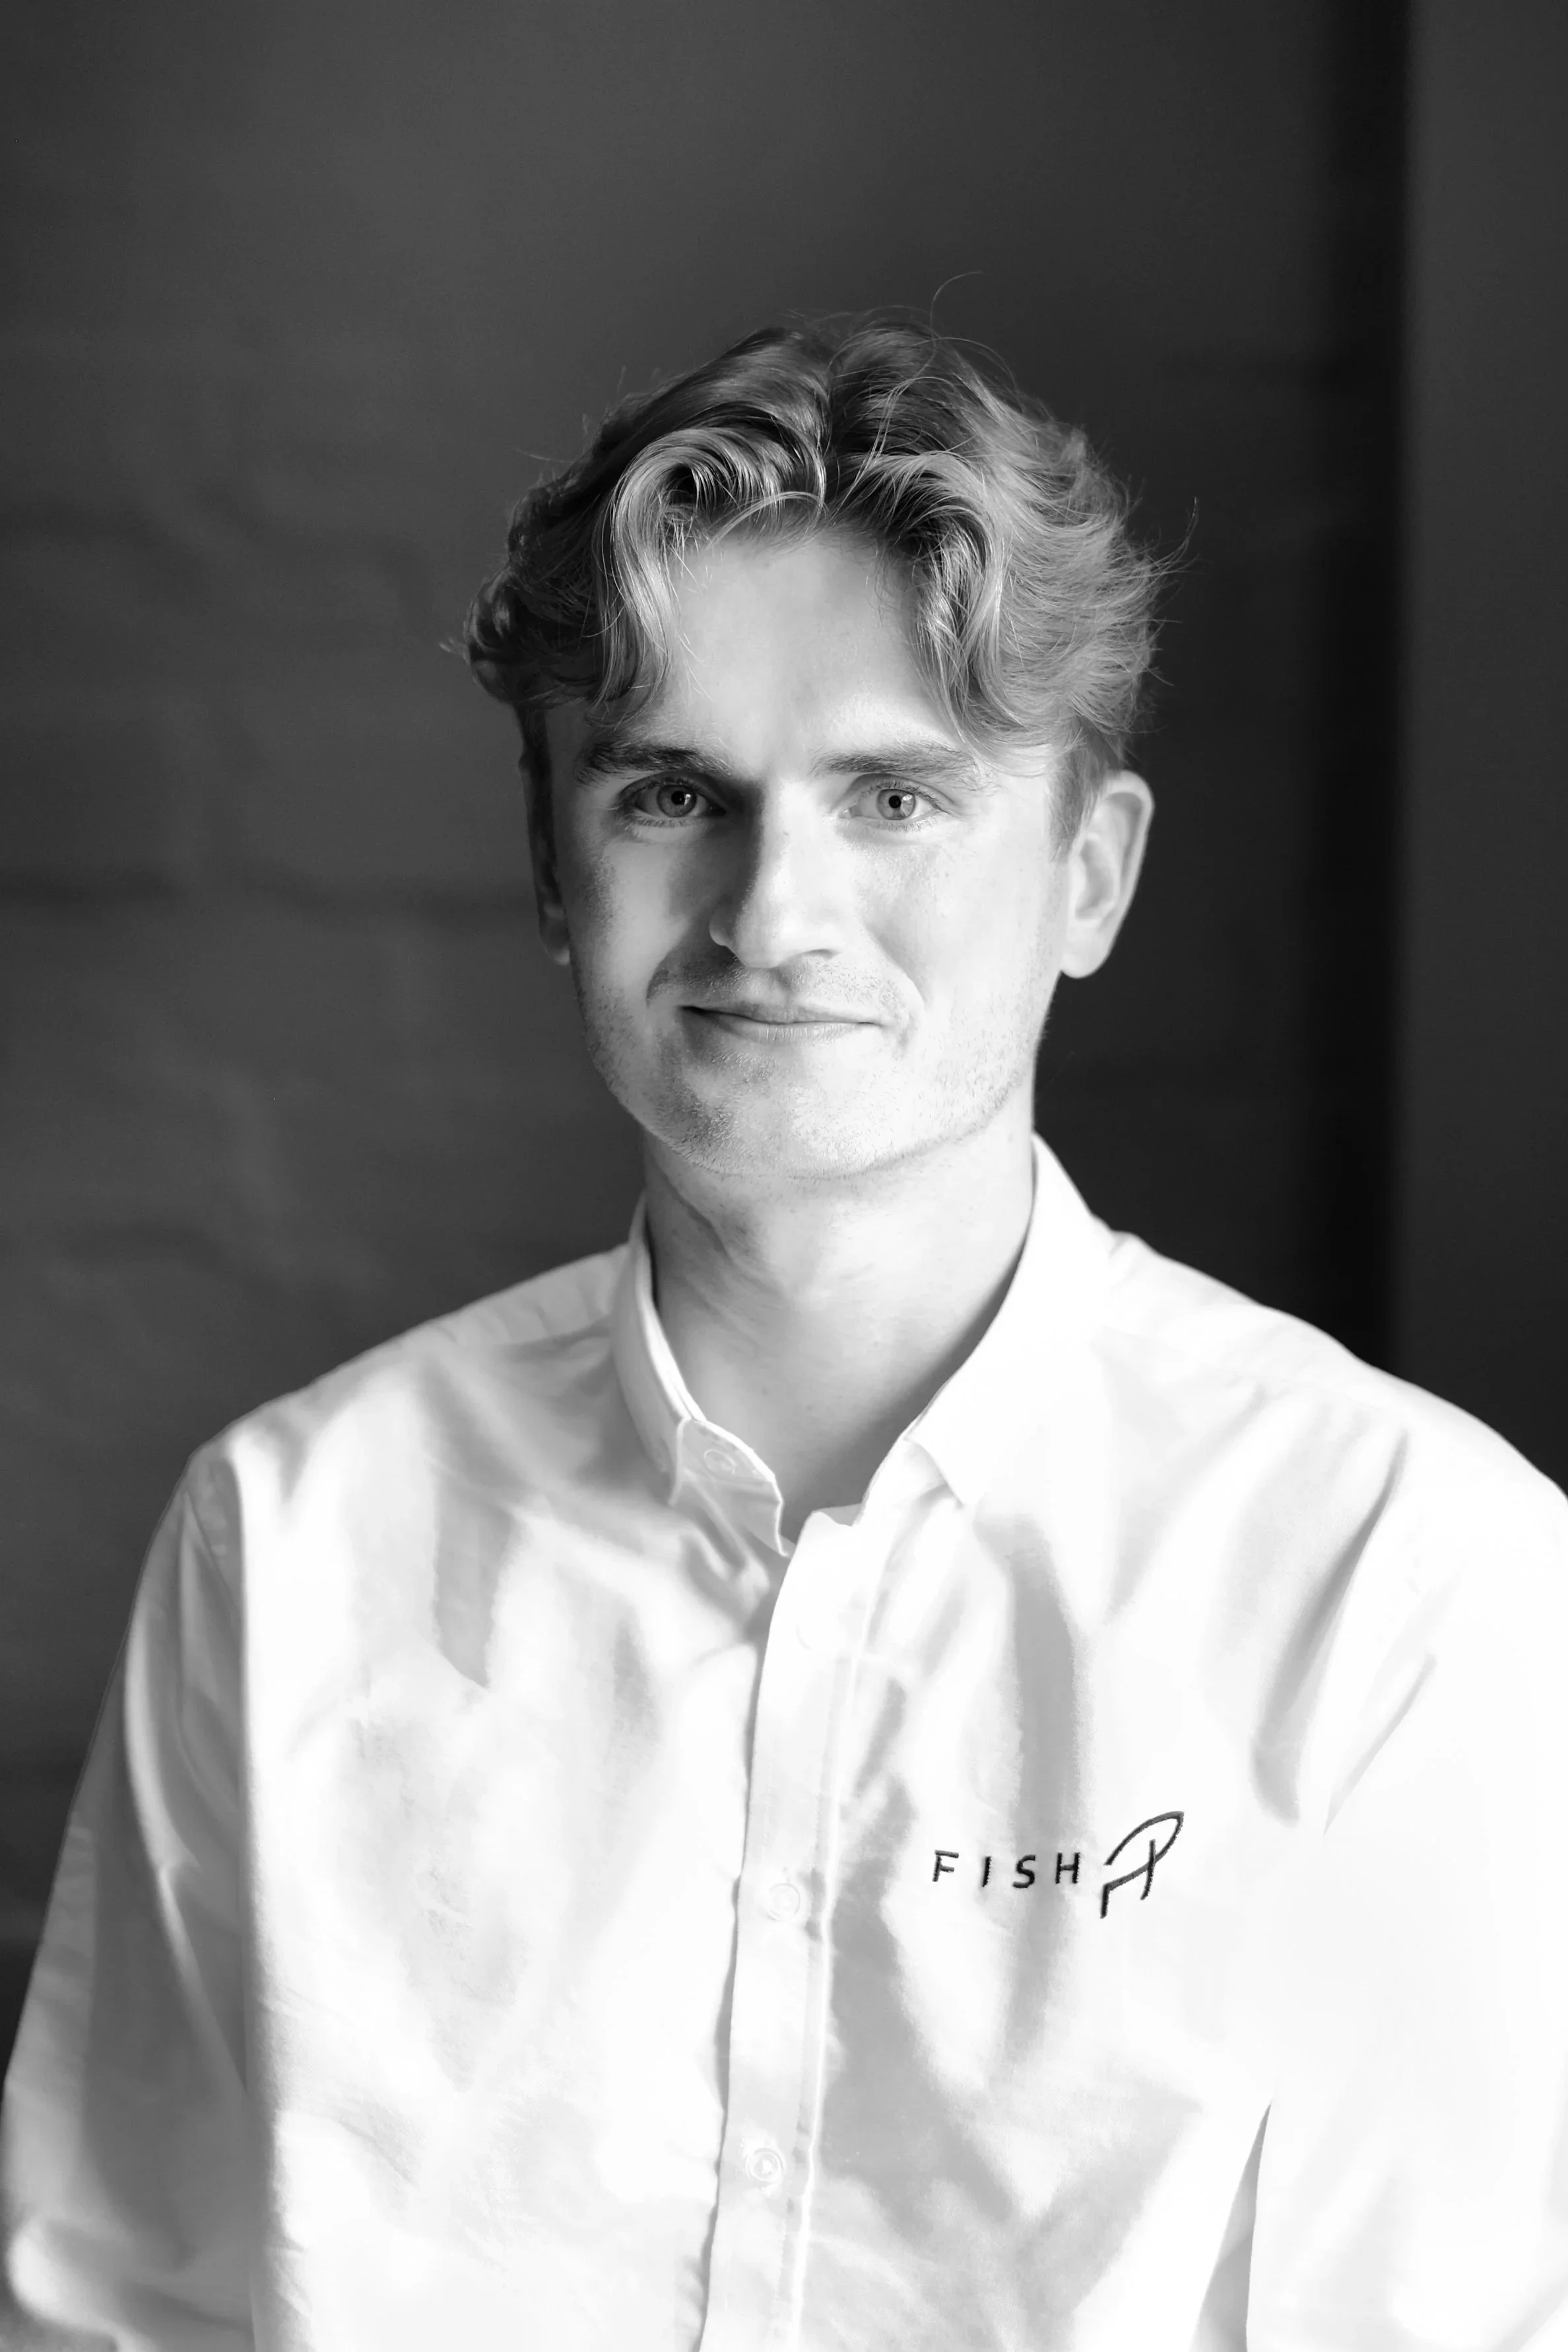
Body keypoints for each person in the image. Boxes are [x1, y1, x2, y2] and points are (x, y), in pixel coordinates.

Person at [2, 314, 1565, 2352]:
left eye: (896, 797)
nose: (770, 915)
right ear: (553, 874)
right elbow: (113, 2318)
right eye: (674, 793)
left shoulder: (1410, 1580)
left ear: (1092, 877)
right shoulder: (288, 1542)